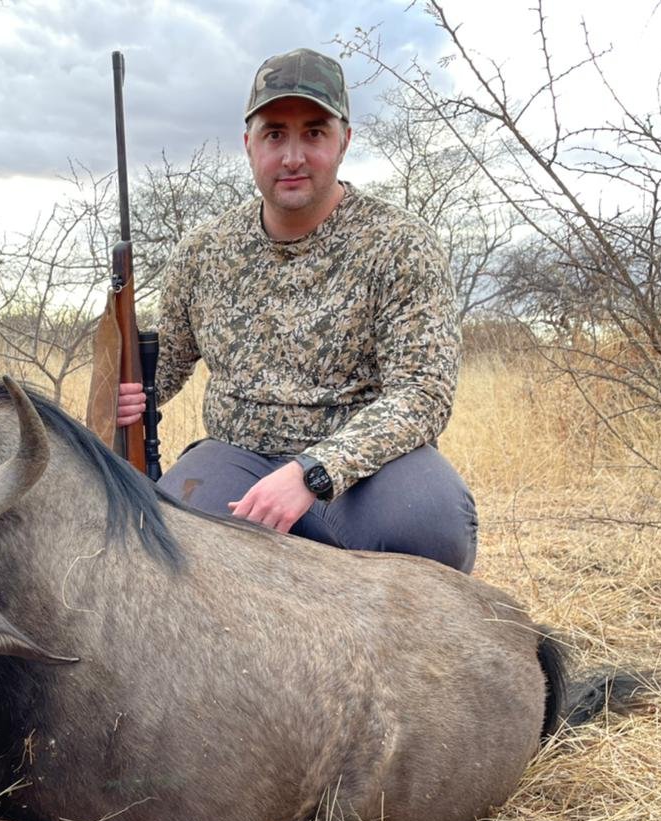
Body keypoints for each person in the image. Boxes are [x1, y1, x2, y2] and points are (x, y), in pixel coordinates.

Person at [117, 47, 478, 573]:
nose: (292, 157)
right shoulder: (203, 250)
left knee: (430, 526)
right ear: (249, 145)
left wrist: (314, 472)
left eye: (313, 133)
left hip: (367, 467)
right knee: (168, 545)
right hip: (236, 454)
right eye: (274, 135)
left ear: (344, 140)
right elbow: (162, 370)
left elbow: (423, 393)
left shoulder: (401, 243)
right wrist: (124, 394)